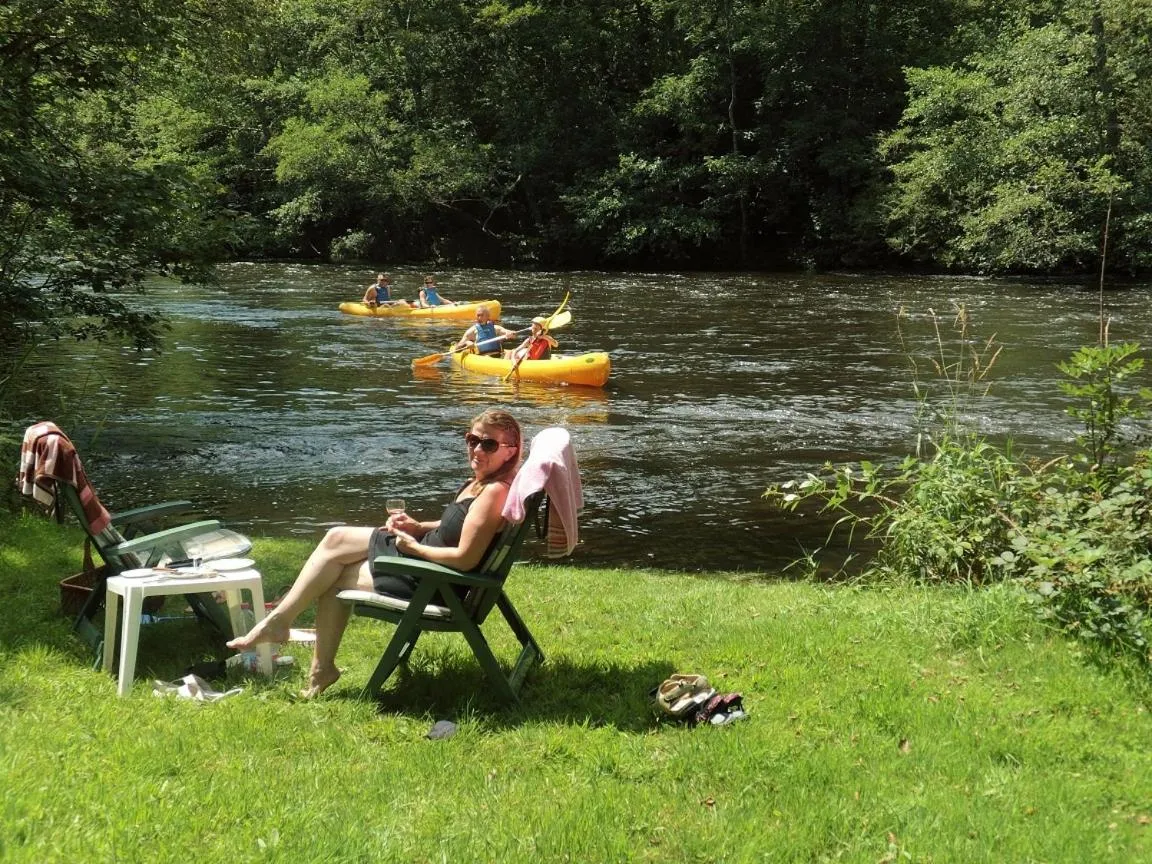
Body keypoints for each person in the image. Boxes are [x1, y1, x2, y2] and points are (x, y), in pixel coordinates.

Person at [226, 409, 523, 699]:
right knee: (335, 547)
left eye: (489, 444)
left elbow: (466, 559)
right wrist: (419, 526)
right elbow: (464, 526)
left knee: (335, 564)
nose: (476, 449)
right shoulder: (483, 482)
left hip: (434, 582)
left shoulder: (493, 492)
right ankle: (302, 647)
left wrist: (415, 546)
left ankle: (294, 639)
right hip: (427, 564)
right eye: (472, 440)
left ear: (509, 452)